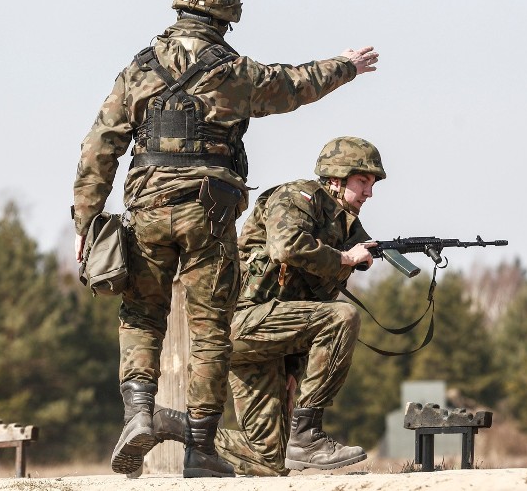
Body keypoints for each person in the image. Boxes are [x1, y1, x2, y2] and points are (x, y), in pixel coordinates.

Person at [71, 0, 379, 478]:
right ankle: (199, 448)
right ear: (227, 16)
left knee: (143, 315)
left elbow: (101, 144)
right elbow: (295, 84)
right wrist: (346, 66)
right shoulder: (235, 73)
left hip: (146, 208)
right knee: (211, 329)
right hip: (209, 215)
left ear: (180, 8)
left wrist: (85, 218)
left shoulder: (138, 69)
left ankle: (139, 413)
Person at [141, 136, 386, 476]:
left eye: (372, 185)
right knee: (343, 315)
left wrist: (293, 369)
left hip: (271, 336)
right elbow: (286, 247)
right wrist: (345, 258)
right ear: (336, 176)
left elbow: (312, 305)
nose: (368, 193)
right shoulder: (297, 197)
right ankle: (308, 436)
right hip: (238, 323)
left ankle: (167, 424)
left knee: (270, 460)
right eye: (362, 182)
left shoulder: (346, 228)